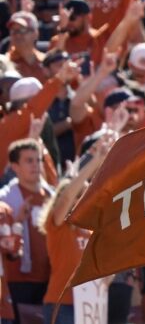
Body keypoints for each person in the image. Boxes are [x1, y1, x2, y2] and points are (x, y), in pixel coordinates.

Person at [40, 134, 111, 324]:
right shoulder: (58, 226)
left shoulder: (92, 232)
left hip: (91, 308)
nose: (83, 199)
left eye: (85, 194)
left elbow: (105, 274)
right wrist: (95, 162)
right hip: (62, 306)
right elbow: (66, 197)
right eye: (79, 194)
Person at [0, 139, 55, 324]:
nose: (36, 165)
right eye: (29, 160)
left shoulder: (52, 196)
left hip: (50, 280)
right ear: (15, 166)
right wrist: (17, 220)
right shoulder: (5, 199)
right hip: (17, 281)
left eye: (38, 160)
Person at [4, 12, 46, 83]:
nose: (18, 35)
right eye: (14, 31)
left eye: (22, 30)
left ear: (35, 33)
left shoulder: (45, 62)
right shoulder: (4, 63)